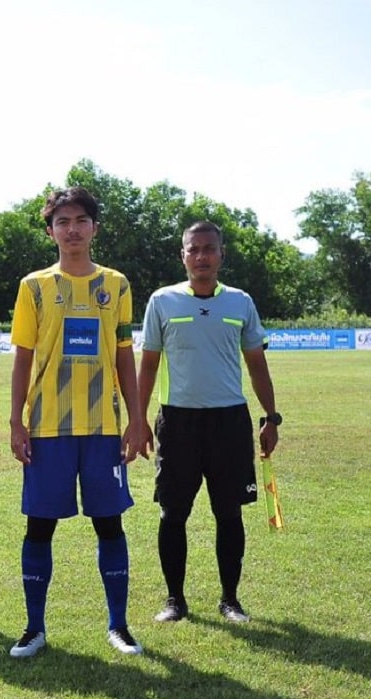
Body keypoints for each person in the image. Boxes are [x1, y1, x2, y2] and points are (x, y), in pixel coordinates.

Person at [7, 186, 149, 658]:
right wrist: (15, 421)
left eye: (80, 221)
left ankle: (119, 626)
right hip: (47, 426)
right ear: (51, 231)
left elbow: (124, 355)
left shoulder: (117, 285)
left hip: (104, 427)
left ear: (95, 228)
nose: (72, 230)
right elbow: (23, 357)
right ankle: (34, 628)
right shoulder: (33, 286)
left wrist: (136, 419)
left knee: (109, 524)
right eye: (62, 222)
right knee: (39, 527)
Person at [137, 220, 281, 624]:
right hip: (177, 422)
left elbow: (257, 365)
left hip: (228, 422)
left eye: (209, 248)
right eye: (193, 249)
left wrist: (271, 418)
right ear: (182, 255)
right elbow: (148, 365)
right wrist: (138, 419)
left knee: (229, 513)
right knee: (173, 514)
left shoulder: (240, 302)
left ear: (221, 254)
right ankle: (175, 601)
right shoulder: (162, 301)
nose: (201, 256)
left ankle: (230, 600)